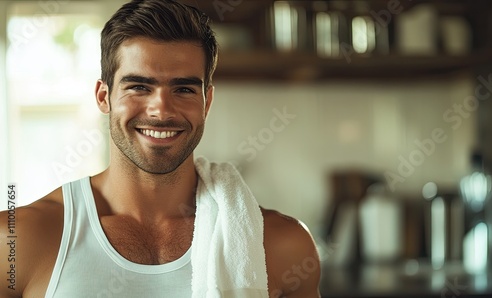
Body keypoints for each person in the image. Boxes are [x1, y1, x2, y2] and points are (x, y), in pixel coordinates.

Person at [0, 0, 320, 297]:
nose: (161, 110)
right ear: (103, 97)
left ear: (206, 102)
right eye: (139, 86)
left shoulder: (282, 246)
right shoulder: (17, 241)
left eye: (183, 89)